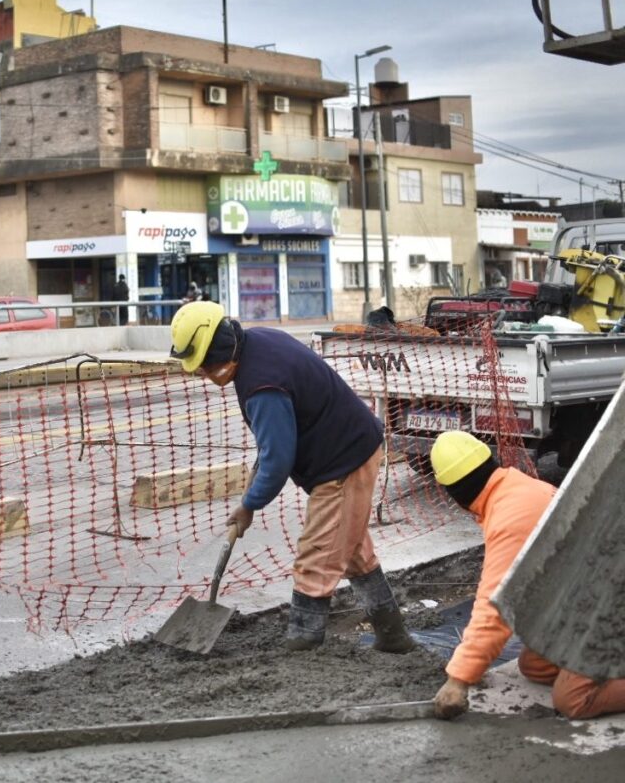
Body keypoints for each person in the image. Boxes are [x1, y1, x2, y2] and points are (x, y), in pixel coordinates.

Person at [168, 301, 415, 653]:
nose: (203, 375)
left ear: (217, 350)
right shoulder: (258, 343)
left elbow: (277, 459)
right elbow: (270, 444)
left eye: (204, 367)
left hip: (342, 463)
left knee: (317, 556)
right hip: (351, 447)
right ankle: (394, 638)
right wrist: (248, 502)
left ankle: (302, 644)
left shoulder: (261, 385)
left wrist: (250, 503)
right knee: (353, 550)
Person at [429, 430, 625, 721]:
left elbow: (496, 605)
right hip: (589, 595)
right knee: (537, 665)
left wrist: (460, 677)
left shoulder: (512, 516)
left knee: (573, 698)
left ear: (455, 495)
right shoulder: (512, 489)